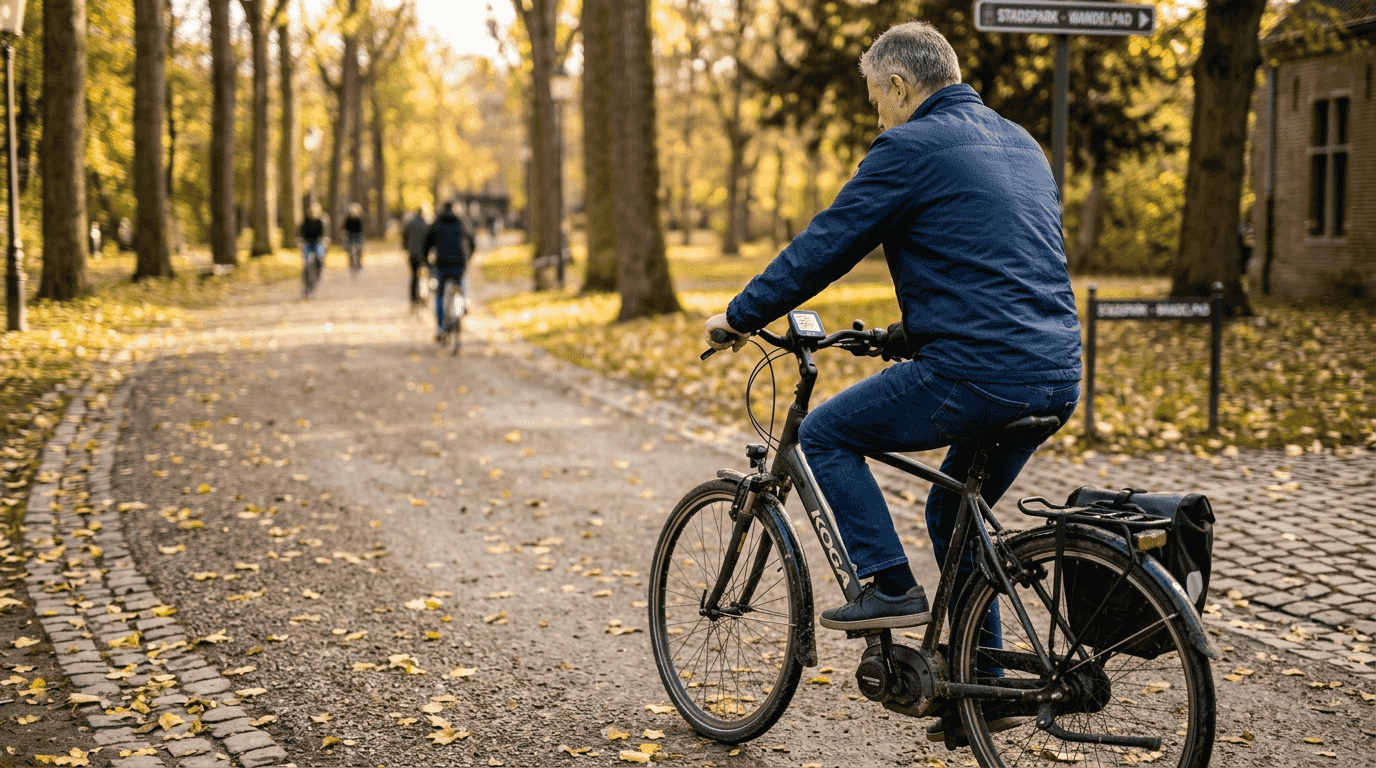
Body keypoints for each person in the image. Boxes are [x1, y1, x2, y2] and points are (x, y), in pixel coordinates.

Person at [704, 20, 1082, 738]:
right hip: (1055, 373)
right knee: (952, 514)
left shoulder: (908, 146)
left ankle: (889, 586)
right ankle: (988, 689)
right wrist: (902, 337)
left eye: (877, 95)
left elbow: (827, 244)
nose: (876, 111)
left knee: (823, 432)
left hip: (978, 374)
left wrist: (740, 315)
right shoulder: (1018, 140)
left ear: (901, 85)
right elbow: (1000, 266)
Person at [424, 201, 475, 341]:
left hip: (442, 264)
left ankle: (441, 327)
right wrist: (468, 257)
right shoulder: (460, 222)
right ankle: (463, 302)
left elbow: (427, 242)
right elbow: (471, 240)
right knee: (460, 282)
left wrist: (427, 259)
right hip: (459, 263)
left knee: (440, 295)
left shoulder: (437, 222)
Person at [402, 205, 433, 305]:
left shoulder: (410, 224)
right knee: (426, 275)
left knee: (414, 277)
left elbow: (404, 237)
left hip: (412, 254)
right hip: (423, 255)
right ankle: (424, 295)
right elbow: (430, 241)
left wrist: (406, 248)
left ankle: (413, 300)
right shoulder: (427, 224)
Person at [298, 203, 328, 289]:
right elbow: (301, 231)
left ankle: (319, 272)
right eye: (312, 212)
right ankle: (305, 278)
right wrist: (299, 240)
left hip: (318, 242)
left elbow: (324, 233)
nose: (313, 213)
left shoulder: (321, 221)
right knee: (306, 260)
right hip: (307, 242)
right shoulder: (305, 220)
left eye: (315, 212)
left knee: (319, 256)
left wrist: (325, 239)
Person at [343, 203, 365, 270]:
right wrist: (344, 234)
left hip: (358, 235)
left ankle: (359, 261)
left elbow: (363, 229)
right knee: (349, 248)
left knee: (360, 248)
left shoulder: (360, 218)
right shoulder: (348, 218)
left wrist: (363, 235)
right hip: (350, 235)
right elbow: (344, 228)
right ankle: (351, 261)